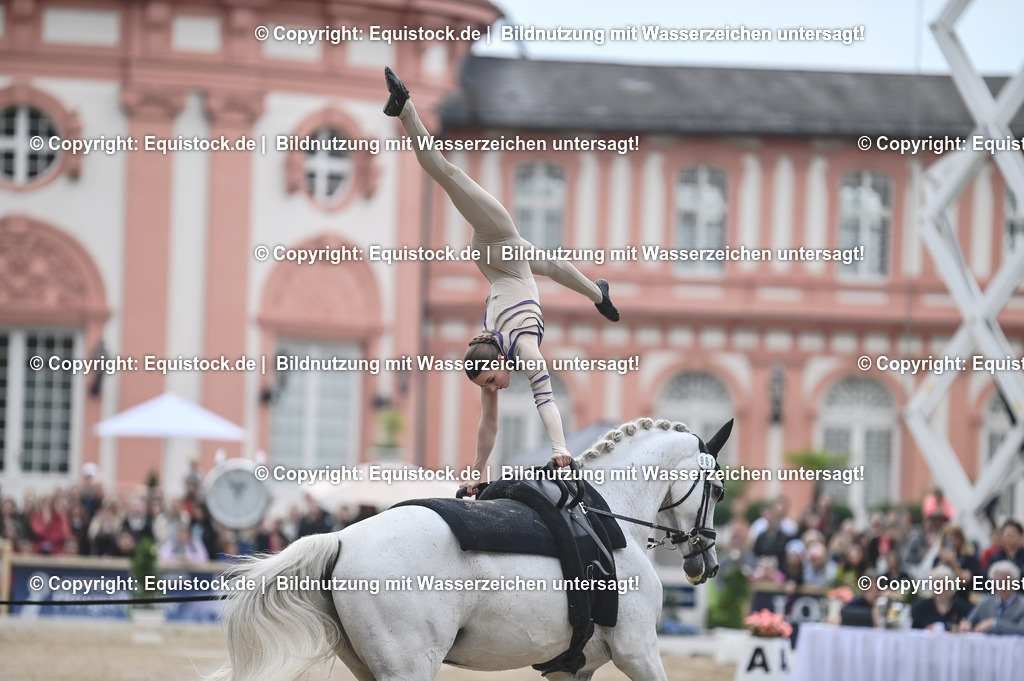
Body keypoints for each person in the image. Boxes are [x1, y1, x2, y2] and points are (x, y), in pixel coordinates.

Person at [383, 67, 619, 495]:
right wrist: (476, 473)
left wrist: (560, 449)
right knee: (547, 265)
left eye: (490, 380)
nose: (494, 388)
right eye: (488, 385)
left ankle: (405, 110)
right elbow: (488, 425)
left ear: (494, 362)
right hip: (500, 263)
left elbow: (545, 400)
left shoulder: (522, 348)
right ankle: (597, 294)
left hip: (496, 240)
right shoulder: (500, 357)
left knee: (447, 175)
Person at [962, 560, 1024, 635]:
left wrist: (995, 624)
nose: (1000, 587)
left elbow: (1021, 629)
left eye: (1004, 583)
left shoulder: (1022, 604)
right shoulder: (986, 601)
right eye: (997, 583)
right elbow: (969, 621)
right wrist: (966, 625)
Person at [910, 565, 972, 631]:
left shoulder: (962, 608)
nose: (940, 589)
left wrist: (966, 627)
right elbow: (912, 631)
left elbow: (971, 625)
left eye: (944, 585)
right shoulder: (920, 608)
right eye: (937, 585)